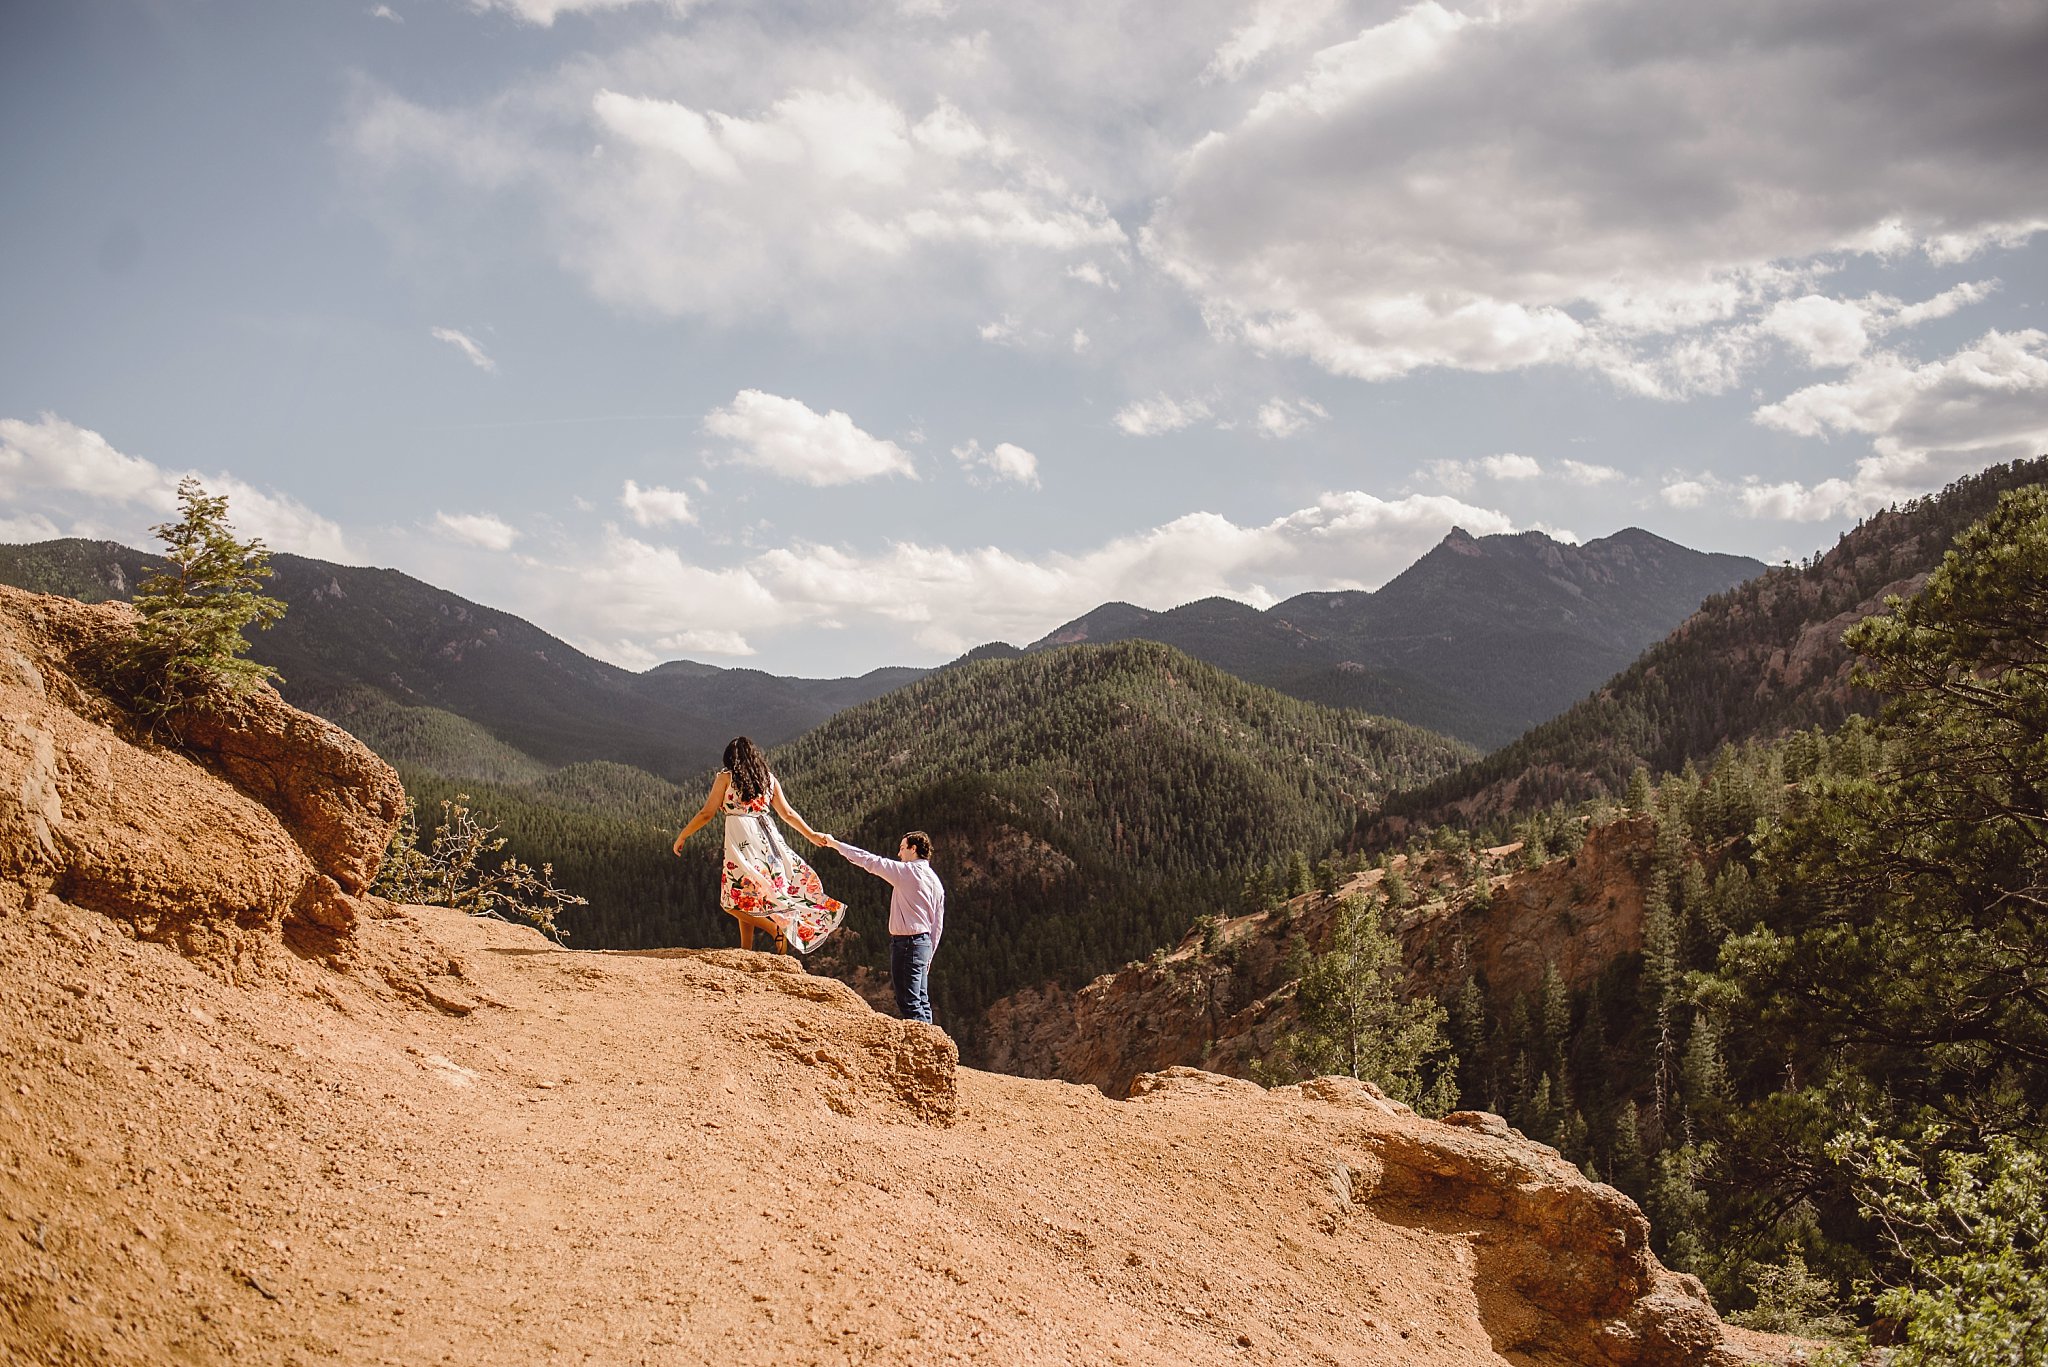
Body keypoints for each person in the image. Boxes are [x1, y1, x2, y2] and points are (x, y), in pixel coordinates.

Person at [672, 737, 844, 955]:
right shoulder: (768, 780)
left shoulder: (726, 778)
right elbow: (787, 814)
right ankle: (747, 950)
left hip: (741, 839)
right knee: (747, 896)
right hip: (767, 837)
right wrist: (810, 834)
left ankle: (774, 930)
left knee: (730, 901)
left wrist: (683, 835)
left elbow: (707, 813)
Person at [822, 830, 944, 1025]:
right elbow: (937, 923)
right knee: (921, 1000)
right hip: (923, 944)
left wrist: (835, 844)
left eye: (902, 848)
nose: (899, 853)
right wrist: (929, 954)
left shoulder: (907, 872)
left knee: (909, 1001)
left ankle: (921, 1048)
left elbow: (869, 861)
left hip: (906, 943)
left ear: (913, 849)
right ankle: (931, 1046)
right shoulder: (935, 881)